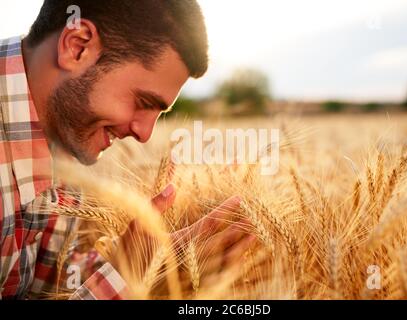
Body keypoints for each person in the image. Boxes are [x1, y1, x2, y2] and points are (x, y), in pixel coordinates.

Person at [0, 0, 254, 300]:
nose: (144, 134)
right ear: (77, 47)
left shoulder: (63, 143)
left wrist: (158, 266)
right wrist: (119, 280)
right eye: (143, 102)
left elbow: (45, 289)